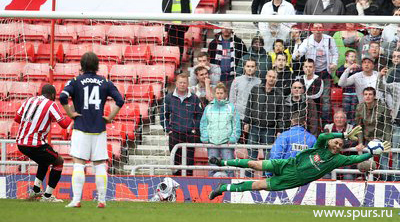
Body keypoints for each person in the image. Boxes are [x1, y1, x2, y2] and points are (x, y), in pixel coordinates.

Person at [208, 126, 391, 200]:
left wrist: (371, 152)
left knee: (257, 185)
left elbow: (357, 158)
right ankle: (221, 161)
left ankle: (223, 187)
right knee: (256, 164)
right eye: (336, 143)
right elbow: (322, 135)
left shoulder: (337, 159)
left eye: (341, 145)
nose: (337, 145)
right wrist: (341, 134)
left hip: (293, 179)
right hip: (288, 163)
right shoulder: (321, 145)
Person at [60, 52, 124, 208]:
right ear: (97, 65)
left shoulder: (76, 81)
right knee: (100, 164)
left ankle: (76, 200)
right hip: (99, 129)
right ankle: (102, 200)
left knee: (79, 164)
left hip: (81, 127)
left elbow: (62, 97)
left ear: (82, 65)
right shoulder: (105, 82)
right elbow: (120, 100)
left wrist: (70, 114)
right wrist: (109, 118)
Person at [15, 84, 72, 202]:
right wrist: (72, 114)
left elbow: (17, 118)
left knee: (45, 160)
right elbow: (64, 124)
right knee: (58, 162)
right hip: (34, 144)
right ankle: (47, 197)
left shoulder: (29, 100)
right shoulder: (51, 104)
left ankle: (35, 191)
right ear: (52, 95)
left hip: (21, 142)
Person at [293, 23, 339, 126]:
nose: (318, 30)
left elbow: (335, 53)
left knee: (326, 99)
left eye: (320, 28)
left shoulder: (329, 39)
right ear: (312, 30)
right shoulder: (307, 41)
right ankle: (308, 121)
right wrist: (297, 54)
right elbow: (299, 52)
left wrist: (334, 63)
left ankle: (326, 123)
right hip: (312, 73)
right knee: (311, 99)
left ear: (323, 29)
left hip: (325, 72)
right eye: (316, 28)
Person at [160, 74, 203, 176]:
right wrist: (168, 129)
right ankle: (176, 184)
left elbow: (200, 115)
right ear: (176, 83)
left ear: (188, 84)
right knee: (176, 163)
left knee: (189, 163)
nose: (182, 85)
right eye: (180, 82)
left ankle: (187, 185)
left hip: (189, 135)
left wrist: (194, 129)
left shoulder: (194, 98)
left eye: (184, 82)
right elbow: (163, 115)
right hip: (174, 134)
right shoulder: (169, 98)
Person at [243, 70, 284, 177]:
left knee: (268, 157)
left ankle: (266, 179)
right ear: (266, 76)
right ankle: (248, 178)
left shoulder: (279, 94)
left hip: (269, 129)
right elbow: (249, 105)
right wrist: (246, 122)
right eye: (270, 76)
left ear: (277, 79)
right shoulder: (255, 89)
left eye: (274, 77)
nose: (271, 79)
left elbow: (280, 113)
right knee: (251, 155)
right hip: (254, 127)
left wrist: (279, 130)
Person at [200, 83, 241, 177]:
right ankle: (211, 187)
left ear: (225, 94)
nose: (219, 95)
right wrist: (205, 137)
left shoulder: (231, 107)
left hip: (227, 143)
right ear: (214, 94)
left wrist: (233, 138)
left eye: (221, 93)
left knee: (229, 167)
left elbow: (236, 124)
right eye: (217, 93)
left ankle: (231, 188)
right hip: (212, 142)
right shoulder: (209, 107)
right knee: (212, 167)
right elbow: (203, 123)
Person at [208, 23, 247, 91]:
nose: (226, 29)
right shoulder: (213, 43)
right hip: (218, 77)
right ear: (220, 28)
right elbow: (209, 60)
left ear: (232, 28)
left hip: (233, 77)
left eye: (228, 27)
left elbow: (244, 59)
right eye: (224, 27)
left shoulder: (239, 43)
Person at [377, 71, 400, 181]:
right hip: (397, 126)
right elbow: (381, 86)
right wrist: (380, 75)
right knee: (395, 152)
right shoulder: (397, 86)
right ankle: (396, 179)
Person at [354, 87, 392, 152]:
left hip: (381, 137)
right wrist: (360, 143)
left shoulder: (382, 107)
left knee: (384, 157)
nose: (367, 96)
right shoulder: (359, 107)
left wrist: (387, 142)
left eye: (370, 94)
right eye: (365, 94)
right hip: (367, 138)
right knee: (365, 158)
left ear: (374, 96)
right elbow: (359, 126)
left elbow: (387, 126)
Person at [162, 0, 191, 72]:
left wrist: (187, 24)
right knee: (173, 46)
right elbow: (165, 9)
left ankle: (178, 64)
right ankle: (172, 66)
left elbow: (188, 9)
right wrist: (167, 25)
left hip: (181, 26)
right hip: (172, 26)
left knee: (180, 46)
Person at [336, 50, 361, 124]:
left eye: (354, 57)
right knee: (346, 111)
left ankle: (353, 127)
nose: (353, 58)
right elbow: (338, 74)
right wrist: (347, 68)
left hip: (355, 93)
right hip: (346, 93)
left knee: (354, 112)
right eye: (351, 56)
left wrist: (357, 68)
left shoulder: (358, 68)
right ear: (346, 57)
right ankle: (346, 127)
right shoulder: (342, 68)